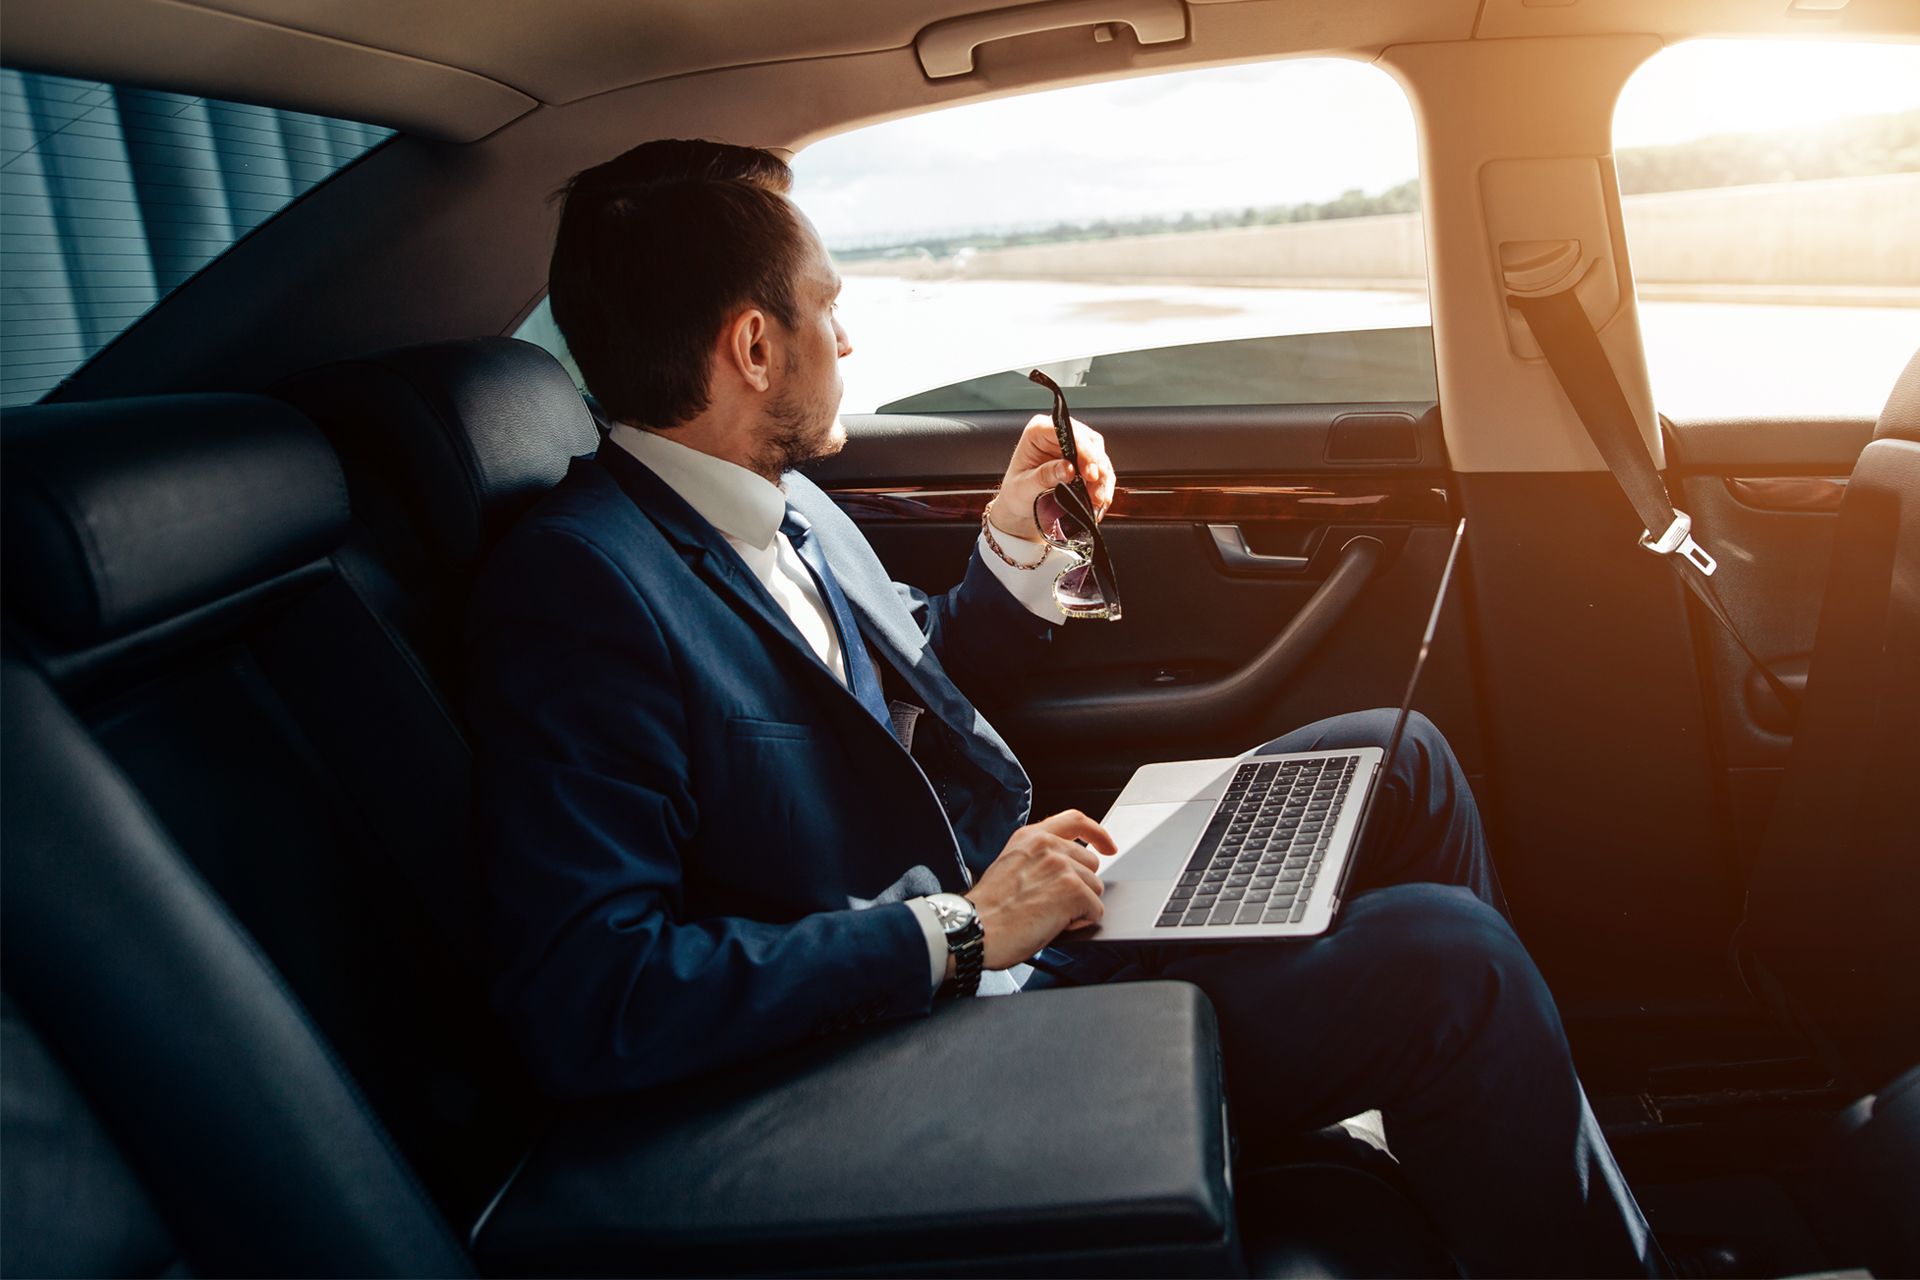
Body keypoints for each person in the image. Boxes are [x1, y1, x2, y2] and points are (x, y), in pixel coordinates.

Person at [464, 138, 1666, 1277]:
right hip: (905, 1037)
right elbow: (597, 992)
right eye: (826, 304)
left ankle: (1482, 1155)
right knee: (1453, 960)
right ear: (754, 349)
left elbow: (897, 682)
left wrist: (1014, 544)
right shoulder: (584, 586)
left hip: (995, 926)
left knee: (1403, 754)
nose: (848, 331)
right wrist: (962, 927)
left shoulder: (785, 501)